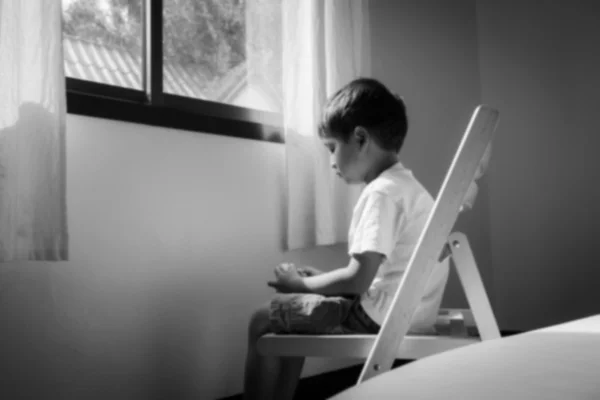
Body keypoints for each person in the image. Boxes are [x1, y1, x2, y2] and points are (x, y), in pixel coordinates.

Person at [243, 78, 450, 400]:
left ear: (360, 138)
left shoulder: (381, 193)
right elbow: (374, 274)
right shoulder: (409, 190)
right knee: (293, 317)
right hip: (409, 312)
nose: (330, 161)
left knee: (261, 320)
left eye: (332, 148)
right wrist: (321, 281)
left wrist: (300, 285)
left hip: (377, 318)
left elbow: (357, 279)